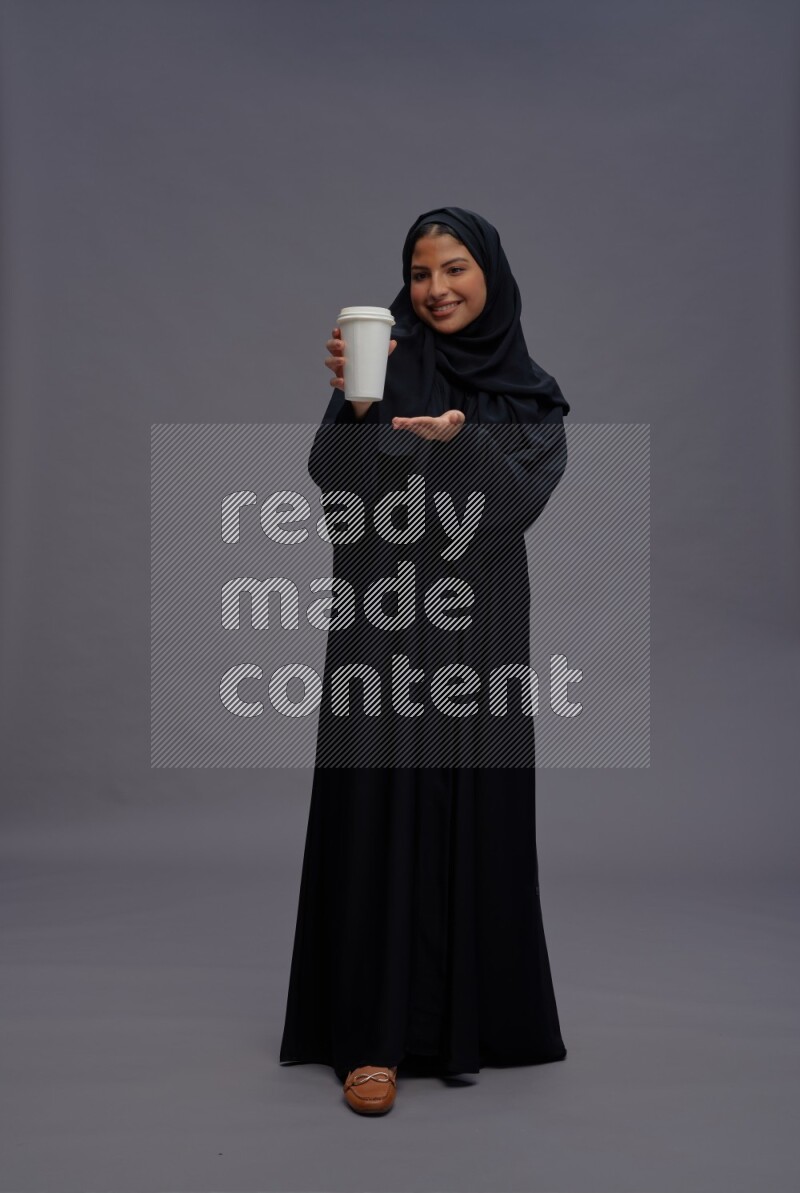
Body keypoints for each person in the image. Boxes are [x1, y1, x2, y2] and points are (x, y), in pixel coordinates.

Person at [278, 206, 570, 1115]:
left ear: (490, 275)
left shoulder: (529, 391)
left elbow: (517, 504)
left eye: (454, 269)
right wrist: (365, 409)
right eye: (419, 271)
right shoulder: (383, 366)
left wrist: (464, 442)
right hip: (382, 621)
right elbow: (336, 491)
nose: (435, 288)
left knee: (472, 801)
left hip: (478, 631)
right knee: (377, 808)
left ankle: (470, 1022)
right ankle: (370, 1042)